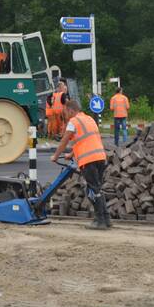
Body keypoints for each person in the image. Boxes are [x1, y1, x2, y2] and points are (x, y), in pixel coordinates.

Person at [52, 98, 111, 230]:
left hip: (88, 160)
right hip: (100, 157)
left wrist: (55, 156)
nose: (65, 115)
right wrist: (71, 154)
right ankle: (106, 219)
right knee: (97, 188)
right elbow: (85, 139)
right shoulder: (89, 119)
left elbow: (64, 141)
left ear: (70, 110)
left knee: (92, 190)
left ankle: (99, 221)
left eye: (65, 112)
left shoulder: (73, 122)